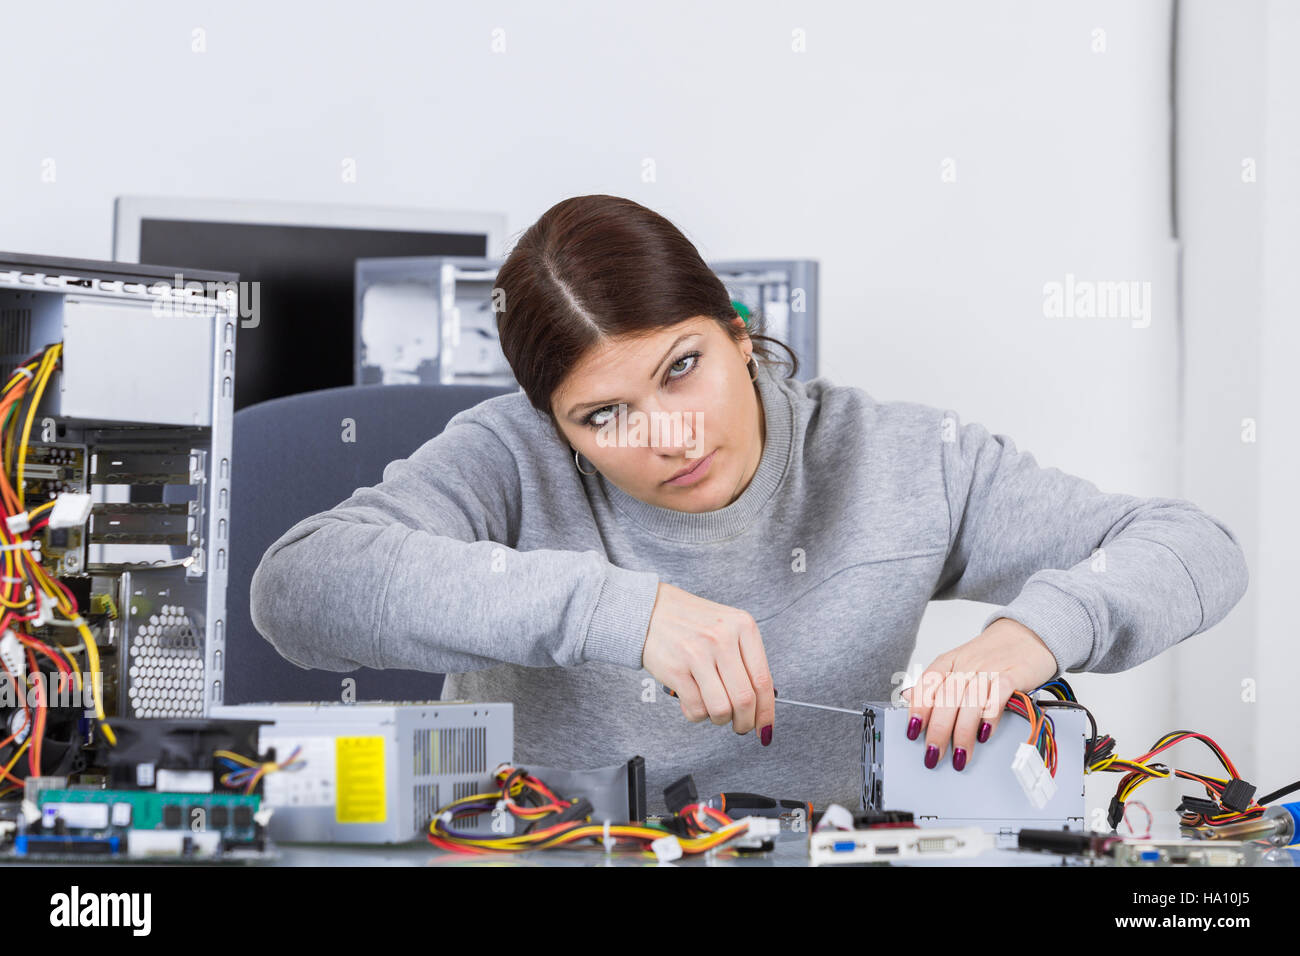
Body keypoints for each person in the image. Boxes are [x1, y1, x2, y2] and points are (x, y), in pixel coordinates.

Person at [249, 194, 1249, 814]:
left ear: (736, 328)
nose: (669, 435)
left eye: (683, 368)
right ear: (553, 423)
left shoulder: (899, 456)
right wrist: (615, 608)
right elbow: (300, 587)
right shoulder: (506, 457)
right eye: (605, 415)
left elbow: (1192, 544)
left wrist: (1028, 634)